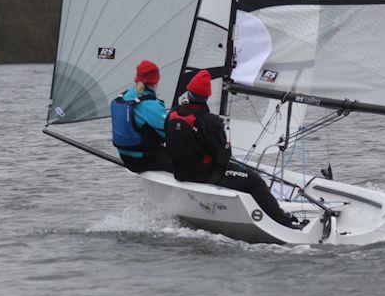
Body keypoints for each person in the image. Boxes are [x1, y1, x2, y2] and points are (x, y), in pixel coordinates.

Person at [165, 70, 307, 230]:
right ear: (207, 96)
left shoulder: (173, 114)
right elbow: (223, 158)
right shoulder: (210, 121)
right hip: (205, 174)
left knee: (240, 173)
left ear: (188, 93)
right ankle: (283, 222)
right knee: (254, 180)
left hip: (179, 172)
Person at [111, 60, 170, 173]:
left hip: (125, 156)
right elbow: (169, 133)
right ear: (156, 80)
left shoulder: (127, 95)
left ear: (137, 78)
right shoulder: (150, 105)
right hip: (143, 160)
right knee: (189, 163)